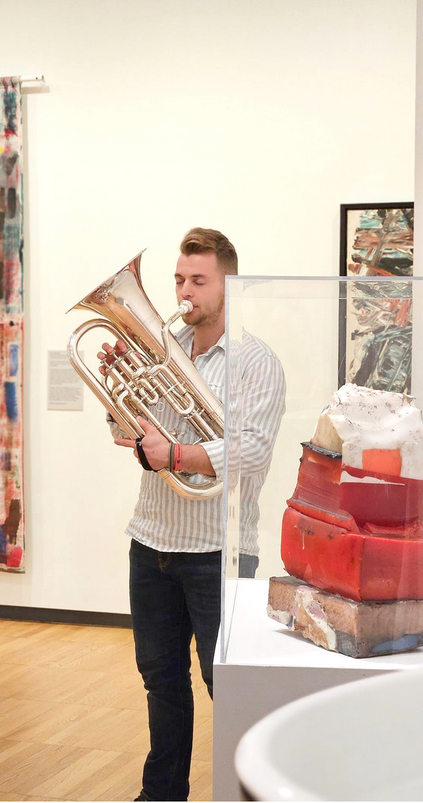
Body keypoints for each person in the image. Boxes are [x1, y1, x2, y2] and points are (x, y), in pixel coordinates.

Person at [98, 227, 285, 802]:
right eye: (179, 279)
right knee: (161, 683)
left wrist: (177, 454)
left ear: (228, 283)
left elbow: (253, 448)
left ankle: (244, 791)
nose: (184, 293)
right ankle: (162, 795)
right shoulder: (161, 355)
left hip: (216, 549)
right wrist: (116, 389)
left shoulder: (256, 360)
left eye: (198, 281)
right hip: (151, 540)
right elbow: (126, 433)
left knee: (224, 684)